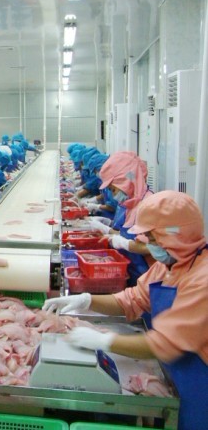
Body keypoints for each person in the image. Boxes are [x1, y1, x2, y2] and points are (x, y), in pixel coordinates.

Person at [44, 191, 208, 430]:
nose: (148, 244)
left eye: (152, 238)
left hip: (199, 382)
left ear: (174, 235)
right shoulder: (169, 265)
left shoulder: (202, 279)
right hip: (175, 373)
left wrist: (104, 341)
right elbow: (132, 298)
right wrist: (87, 300)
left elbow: (165, 344)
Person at [89, 151, 152, 286]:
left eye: (113, 190)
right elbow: (127, 234)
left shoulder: (148, 205)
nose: (113, 195)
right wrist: (108, 227)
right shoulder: (130, 204)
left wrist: (121, 242)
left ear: (125, 182)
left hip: (145, 279)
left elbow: (152, 247)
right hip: (131, 274)